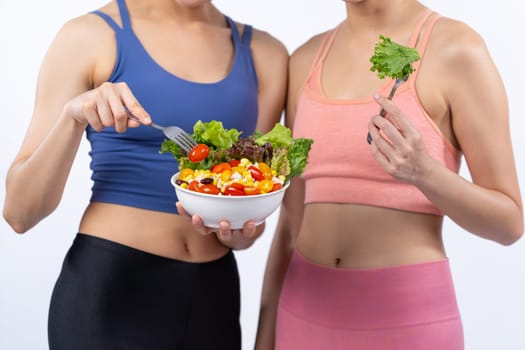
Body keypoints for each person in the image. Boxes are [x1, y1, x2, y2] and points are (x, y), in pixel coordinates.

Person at [2, 0, 287, 349]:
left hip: (213, 296)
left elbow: (253, 194)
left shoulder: (265, 54)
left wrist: (241, 234)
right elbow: (19, 213)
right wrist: (72, 119)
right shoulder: (91, 36)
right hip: (112, 292)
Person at [255, 1, 523, 349]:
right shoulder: (306, 58)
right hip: (302, 317)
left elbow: (509, 222)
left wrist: (426, 173)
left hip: (405, 323)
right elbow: (291, 223)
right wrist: (264, 338)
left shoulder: (455, 49)